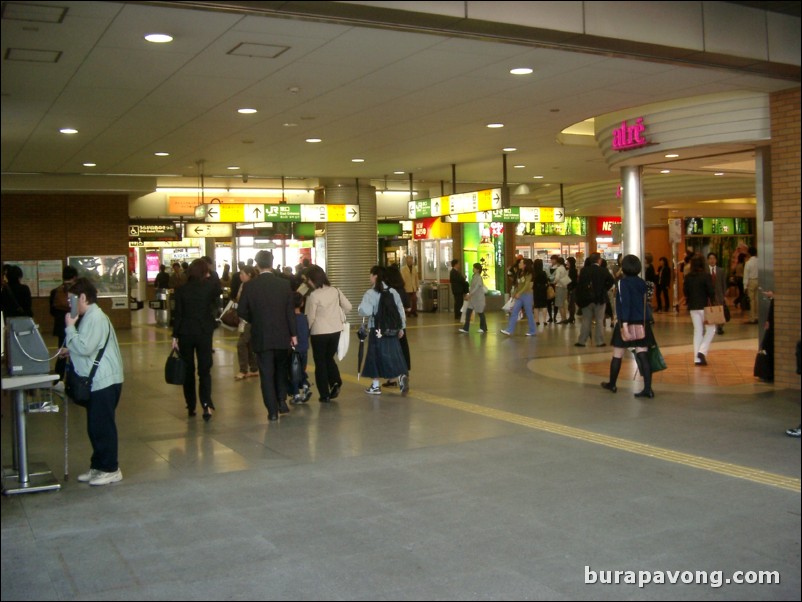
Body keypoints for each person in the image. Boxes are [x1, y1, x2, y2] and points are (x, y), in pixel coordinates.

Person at [63, 277, 124, 486]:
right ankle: (98, 465)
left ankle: (111, 468)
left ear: (82, 297)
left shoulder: (95, 317)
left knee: (103, 426)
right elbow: (85, 345)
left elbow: (86, 348)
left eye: (72, 301)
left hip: (104, 381)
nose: (70, 306)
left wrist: (70, 328)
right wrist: (69, 347)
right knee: (94, 426)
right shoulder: (89, 316)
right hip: (98, 381)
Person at [237, 250, 297, 421]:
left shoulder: (250, 286)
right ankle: (282, 402)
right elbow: (290, 312)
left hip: (261, 335)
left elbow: (242, 311)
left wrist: (255, 320)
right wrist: (293, 334)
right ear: (272, 263)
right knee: (280, 370)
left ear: (257, 265)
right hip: (282, 335)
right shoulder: (284, 284)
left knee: (266, 373)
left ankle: (271, 411)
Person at [172, 258, 220, 420]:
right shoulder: (209, 287)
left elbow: (178, 315)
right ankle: (206, 405)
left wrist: (175, 336)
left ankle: (191, 405)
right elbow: (216, 303)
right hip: (204, 332)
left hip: (185, 333)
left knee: (188, 370)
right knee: (204, 370)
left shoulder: (181, 290)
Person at [601, 254, 655, 398]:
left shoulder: (622, 283)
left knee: (617, 354)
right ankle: (648, 389)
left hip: (626, 322)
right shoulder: (642, 283)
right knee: (643, 354)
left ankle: (612, 384)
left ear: (624, 267)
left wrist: (624, 323)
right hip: (642, 323)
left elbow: (625, 303)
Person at [305, 264, 352, 402]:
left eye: (308, 279)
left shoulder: (314, 296)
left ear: (313, 279)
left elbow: (310, 317)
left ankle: (324, 394)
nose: (307, 282)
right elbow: (348, 307)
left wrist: (305, 331)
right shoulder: (335, 291)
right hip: (335, 331)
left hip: (319, 333)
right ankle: (335, 381)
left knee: (320, 363)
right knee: (329, 358)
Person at [358, 265, 408, 395]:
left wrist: (360, 309)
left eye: (371, 275)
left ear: (375, 276)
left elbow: (365, 311)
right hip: (392, 329)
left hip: (377, 329)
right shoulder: (393, 292)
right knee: (392, 354)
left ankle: (375, 386)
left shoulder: (371, 293)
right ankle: (400, 376)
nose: (370, 277)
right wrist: (402, 327)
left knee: (374, 356)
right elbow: (400, 310)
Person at [575, 253, 615, 347]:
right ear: (599, 260)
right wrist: (604, 288)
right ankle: (600, 341)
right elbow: (611, 281)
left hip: (586, 300)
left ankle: (582, 341)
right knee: (599, 320)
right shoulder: (603, 270)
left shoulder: (584, 271)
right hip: (600, 299)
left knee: (586, 320)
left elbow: (579, 285)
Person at [684, 254, 716, 366]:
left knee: (697, 331)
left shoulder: (688, 277)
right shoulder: (706, 276)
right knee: (711, 329)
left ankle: (697, 358)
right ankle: (702, 352)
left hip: (693, 307)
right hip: (705, 307)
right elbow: (711, 292)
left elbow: (685, 292)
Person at [383, 264, 411, 387]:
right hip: (401, 324)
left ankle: (391, 378)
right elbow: (408, 307)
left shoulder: (387, 291)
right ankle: (403, 374)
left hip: (389, 324)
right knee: (402, 349)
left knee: (389, 351)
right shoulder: (402, 290)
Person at [50, 265, 79, 382]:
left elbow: (52, 311)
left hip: (60, 327)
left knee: (62, 354)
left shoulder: (55, 291)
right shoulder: (76, 291)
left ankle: (58, 380)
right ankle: (73, 382)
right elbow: (78, 311)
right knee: (75, 354)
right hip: (75, 327)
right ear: (74, 277)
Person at [234, 266, 259, 380]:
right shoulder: (243, 285)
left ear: (249, 274)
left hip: (249, 319)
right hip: (245, 319)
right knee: (249, 344)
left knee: (242, 343)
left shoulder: (250, 286)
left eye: (242, 274)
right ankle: (254, 368)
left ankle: (243, 370)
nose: (240, 276)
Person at [501, 257, 536, 336]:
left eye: (521, 263)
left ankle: (532, 330)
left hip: (527, 295)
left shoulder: (528, 274)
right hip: (519, 296)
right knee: (514, 312)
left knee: (529, 313)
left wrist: (519, 293)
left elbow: (526, 285)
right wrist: (514, 293)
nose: (519, 264)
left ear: (525, 265)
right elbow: (518, 284)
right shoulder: (519, 273)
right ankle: (509, 330)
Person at [289, 292, 312, 404]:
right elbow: (307, 333)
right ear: (302, 303)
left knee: (293, 373)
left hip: (294, 351)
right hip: (304, 349)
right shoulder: (304, 318)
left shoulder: (289, 319)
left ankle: (296, 395)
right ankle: (305, 387)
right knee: (301, 371)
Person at [459, 262, 488, 333]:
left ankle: (483, 328)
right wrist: (469, 294)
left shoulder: (478, 278)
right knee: (468, 312)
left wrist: (469, 294)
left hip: (478, 299)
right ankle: (466, 328)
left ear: (478, 270)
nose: (473, 269)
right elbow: (472, 287)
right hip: (473, 299)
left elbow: (476, 287)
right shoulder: (474, 276)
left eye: (474, 268)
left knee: (480, 313)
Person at [707, 252, 728, 335]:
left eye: (713, 258)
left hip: (719, 294)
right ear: (708, 260)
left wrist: (724, 295)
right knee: (710, 311)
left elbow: (724, 283)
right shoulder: (705, 271)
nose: (712, 260)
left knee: (720, 310)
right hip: (709, 295)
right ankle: (711, 327)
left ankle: (720, 327)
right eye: (710, 258)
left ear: (716, 260)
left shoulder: (721, 270)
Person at [550, 255, 570, 324]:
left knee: (560, 304)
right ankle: (565, 318)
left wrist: (553, 282)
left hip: (559, 287)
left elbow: (557, 278)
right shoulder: (564, 268)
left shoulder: (558, 269)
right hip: (564, 287)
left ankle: (563, 319)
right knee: (563, 304)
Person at [532, 258, 550, 327]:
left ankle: (537, 321)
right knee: (544, 305)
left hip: (536, 289)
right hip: (543, 289)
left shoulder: (533, 273)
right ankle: (544, 320)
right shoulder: (543, 273)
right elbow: (546, 281)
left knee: (536, 306)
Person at [743, 246, 759, 324]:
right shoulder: (760, 261)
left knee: (751, 301)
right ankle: (758, 316)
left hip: (751, 282)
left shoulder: (748, 263)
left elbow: (746, 275)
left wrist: (745, 286)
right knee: (757, 300)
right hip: (759, 281)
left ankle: (752, 318)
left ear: (749, 253)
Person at [565, 256, 578, 324]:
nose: (567, 263)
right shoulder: (572, 269)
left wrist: (570, 288)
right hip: (572, 288)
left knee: (571, 303)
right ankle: (571, 317)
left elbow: (572, 280)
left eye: (568, 262)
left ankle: (571, 317)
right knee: (571, 303)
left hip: (572, 288)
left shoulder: (572, 270)